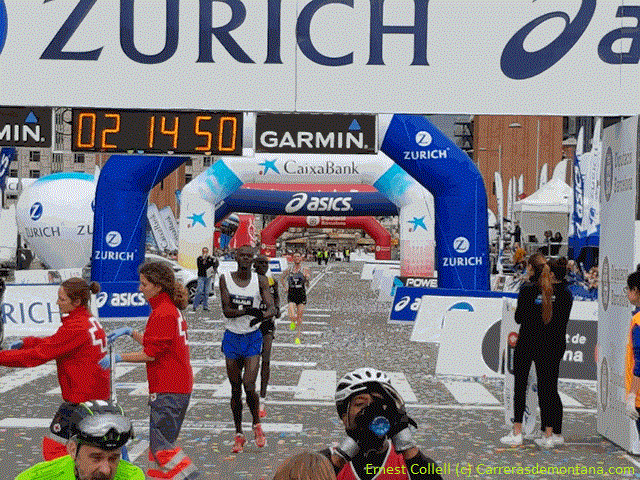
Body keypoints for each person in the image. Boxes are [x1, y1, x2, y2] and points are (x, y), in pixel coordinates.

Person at [100, 261, 199, 479]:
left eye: (144, 284)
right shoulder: (168, 309)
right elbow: (157, 344)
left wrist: (119, 357)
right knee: (158, 452)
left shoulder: (162, 312)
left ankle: (193, 477)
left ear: (158, 286)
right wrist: (131, 333)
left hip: (168, 387)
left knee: (161, 449)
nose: (140, 288)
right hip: (176, 385)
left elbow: (151, 354)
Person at [0, 278, 109, 461]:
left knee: (55, 449)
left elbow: (39, 355)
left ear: (77, 302)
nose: (57, 303)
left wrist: (3, 356)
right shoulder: (86, 320)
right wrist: (28, 342)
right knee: (95, 449)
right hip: (95, 396)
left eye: (62, 299)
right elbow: (56, 342)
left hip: (81, 399)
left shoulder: (76, 326)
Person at [500, 253, 573, 448]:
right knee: (547, 389)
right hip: (549, 344)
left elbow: (518, 318)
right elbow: (561, 321)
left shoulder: (527, 290)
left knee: (520, 387)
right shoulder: (562, 293)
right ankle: (548, 434)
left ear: (531, 269)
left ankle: (517, 432)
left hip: (527, 342)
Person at [320, 368, 443, 479]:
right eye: (360, 404)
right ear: (344, 417)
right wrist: (345, 452)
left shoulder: (407, 460)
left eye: (378, 403)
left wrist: (404, 439)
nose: (371, 410)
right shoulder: (325, 460)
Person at [219, 244, 275, 453]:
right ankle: (239, 433)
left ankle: (256, 424)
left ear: (252, 259)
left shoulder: (260, 280)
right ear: (236, 257)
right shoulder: (225, 278)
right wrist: (249, 311)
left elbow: (272, 308)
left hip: (252, 337)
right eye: (241, 255)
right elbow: (227, 310)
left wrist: (261, 316)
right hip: (232, 337)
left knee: (249, 384)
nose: (245, 259)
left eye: (248, 256)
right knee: (235, 388)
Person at [15, 400, 143, 480]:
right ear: (72, 450)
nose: (106, 470)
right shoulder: (34, 478)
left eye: (114, 458)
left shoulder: (132, 476)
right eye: (96, 457)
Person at [254, 254, 281, 418]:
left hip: (268, 325)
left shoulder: (272, 281)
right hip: (251, 325)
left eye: (266, 263)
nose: (264, 266)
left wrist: (277, 309)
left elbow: (276, 297)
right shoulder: (250, 281)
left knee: (266, 359)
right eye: (261, 263)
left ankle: (262, 399)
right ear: (255, 265)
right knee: (251, 363)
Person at [281, 251, 310, 345]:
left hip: (301, 294)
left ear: (301, 258)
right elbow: (282, 278)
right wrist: (285, 288)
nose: (297, 258)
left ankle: (298, 337)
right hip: (292, 294)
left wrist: (307, 279)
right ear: (293, 258)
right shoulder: (289, 269)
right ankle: (292, 321)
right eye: (295, 257)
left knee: (299, 317)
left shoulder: (305, 269)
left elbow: (308, 284)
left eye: (298, 256)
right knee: (292, 315)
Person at [625, 267, 640, 434]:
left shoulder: (638, 322)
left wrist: (632, 395)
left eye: (628, 289)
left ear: (635, 290)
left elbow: (639, 362)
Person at [193, 246, 218, 312]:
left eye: (206, 251)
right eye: (204, 251)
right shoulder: (199, 258)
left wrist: (214, 260)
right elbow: (200, 267)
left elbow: (214, 265)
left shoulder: (210, 258)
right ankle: (195, 305)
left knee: (206, 292)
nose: (205, 253)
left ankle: (205, 306)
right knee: (199, 291)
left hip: (208, 277)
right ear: (202, 252)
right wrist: (204, 260)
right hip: (201, 276)